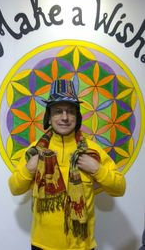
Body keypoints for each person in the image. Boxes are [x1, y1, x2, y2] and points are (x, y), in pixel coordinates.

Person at [8, 79, 126, 250]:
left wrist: (97, 169)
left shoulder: (92, 151)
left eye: (70, 111)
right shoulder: (35, 151)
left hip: (82, 246)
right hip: (42, 245)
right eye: (58, 111)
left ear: (77, 116)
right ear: (49, 116)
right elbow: (14, 188)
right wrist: (29, 169)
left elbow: (120, 188)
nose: (64, 117)